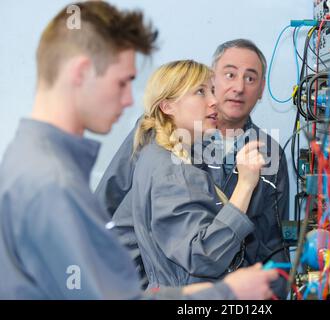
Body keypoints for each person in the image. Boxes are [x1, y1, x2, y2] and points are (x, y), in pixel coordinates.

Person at [0, 1, 277, 299]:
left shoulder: (36, 162)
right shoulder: (52, 180)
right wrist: (224, 294)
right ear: (81, 73)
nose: (129, 101)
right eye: (123, 82)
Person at [108, 59, 271, 289]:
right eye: (201, 92)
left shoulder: (163, 157)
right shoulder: (172, 172)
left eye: (212, 91)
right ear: (167, 106)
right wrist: (245, 185)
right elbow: (204, 257)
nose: (214, 101)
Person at [202, 39, 291, 298]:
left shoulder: (270, 154)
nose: (239, 87)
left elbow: (274, 244)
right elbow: (118, 209)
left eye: (250, 79)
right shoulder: (174, 137)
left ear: (262, 89)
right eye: (230, 74)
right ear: (212, 80)